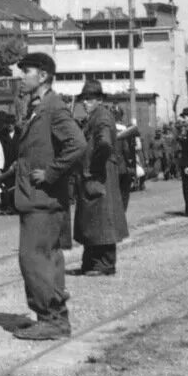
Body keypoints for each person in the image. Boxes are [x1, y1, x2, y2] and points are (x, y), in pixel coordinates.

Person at [9, 54, 86, 340]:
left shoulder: (53, 108)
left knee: (33, 257)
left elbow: (77, 145)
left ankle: (52, 319)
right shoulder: (38, 107)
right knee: (47, 258)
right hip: (36, 197)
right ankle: (52, 317)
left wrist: (51, 173)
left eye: (26, 72)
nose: (22, 77)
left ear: (42, 76)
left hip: (43, 197)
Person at [72, 80, 128, 276]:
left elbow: (104, 144)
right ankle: (91, 263)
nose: (85, 103)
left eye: (89, 99)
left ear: (99, 100)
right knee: (93, 219)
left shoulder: (101, 117)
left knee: (102, 218)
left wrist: (94, 167)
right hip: (96, 173)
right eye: (84, 100)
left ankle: (104, 264)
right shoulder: (96, 116)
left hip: (100, 174)